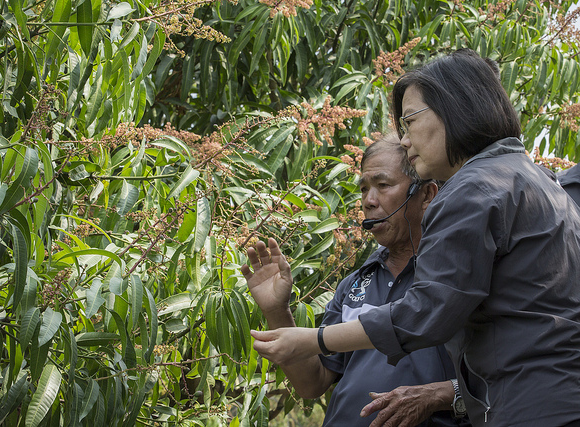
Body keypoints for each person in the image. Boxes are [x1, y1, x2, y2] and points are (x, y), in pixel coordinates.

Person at [248, 49, 580, 427]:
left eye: (409, 122)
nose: (405, 140)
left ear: (455, 110)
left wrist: (317, 338)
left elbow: (427, 311)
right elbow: (314, 382)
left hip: (531, 404)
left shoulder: (475, 187)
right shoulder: (535, 181)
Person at [242, 135, 470, 426]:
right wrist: (277, 310)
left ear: (426, 195)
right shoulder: (353, 284)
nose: (369, 201)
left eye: (383, 185)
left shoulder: (455, 275)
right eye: (364, 189)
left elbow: (499, 379)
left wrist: (438, 395)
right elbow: (312, 383)